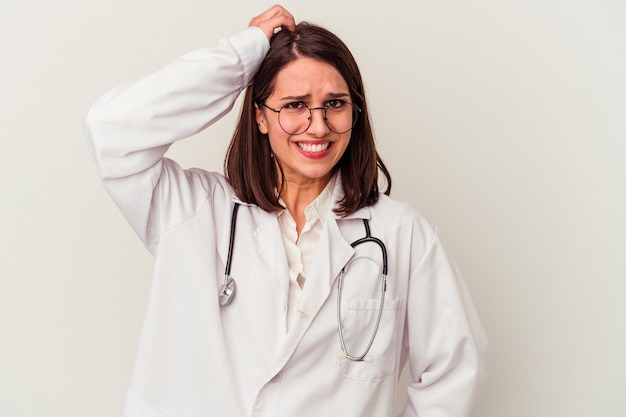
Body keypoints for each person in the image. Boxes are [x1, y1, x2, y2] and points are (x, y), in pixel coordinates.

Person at [85, 5, 487, 417]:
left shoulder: (401, 234)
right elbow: (111, 129)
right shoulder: (192, 210)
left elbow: (452, 372)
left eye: (335, 103)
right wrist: (242, 55)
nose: (318, 126)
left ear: (356, 112)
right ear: (260, 116)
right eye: (295, 105)